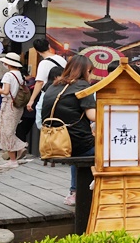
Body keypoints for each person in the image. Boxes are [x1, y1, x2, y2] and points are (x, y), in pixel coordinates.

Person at [41, 55, 98, 206]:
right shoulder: (82, 86)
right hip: (75, 142)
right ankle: (104, 189)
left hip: (52, 141)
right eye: (91, 72)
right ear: (86, 70)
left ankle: (74, 191)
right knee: (110, 148)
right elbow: (92, 115)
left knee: (79, 148)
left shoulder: (53, 85)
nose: (91, 76)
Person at [0, 52, 28, 168]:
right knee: (4, 130)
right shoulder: (20, 75)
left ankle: (14, 157)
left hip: (9, 105)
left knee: (7, 132)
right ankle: (17, 151)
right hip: (17, 106)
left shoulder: (8, 75)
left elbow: (6, 91)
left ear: (8, 63)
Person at [25, 37, 66, 113]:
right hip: (61, 91)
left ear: (36, 50)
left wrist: (31, 100)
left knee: (41, 116)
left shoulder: (43, 63)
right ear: (49, 46)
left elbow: (40, 82)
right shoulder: (61, 59)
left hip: (48, 93)